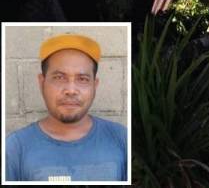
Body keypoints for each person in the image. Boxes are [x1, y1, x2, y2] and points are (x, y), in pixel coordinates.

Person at [5, 34, 127, 182]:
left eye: (82, 79)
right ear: (41, 83)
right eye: (59, 77)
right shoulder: (15, 148)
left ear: (95, 85)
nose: (71, 90)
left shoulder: (122, 139)